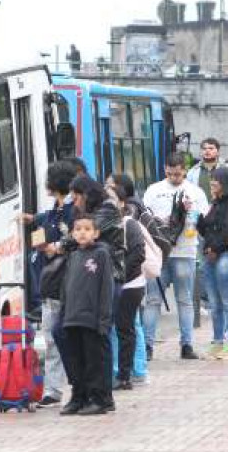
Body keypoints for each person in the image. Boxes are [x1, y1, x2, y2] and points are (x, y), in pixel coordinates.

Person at [20, 161, 77, 408]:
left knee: (63, 336)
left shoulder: (72, 213)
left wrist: (52, 248)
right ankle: (52, 390)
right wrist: (32, 221)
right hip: (49, 284)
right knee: (52, 337)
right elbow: (42, 227)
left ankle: (68, 386)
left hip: (65, 283)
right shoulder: (52, 212)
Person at [142, 153, 208, 360]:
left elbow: (203, 218)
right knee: (153, 300)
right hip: (158, 253)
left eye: (178, 174)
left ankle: (186, 344)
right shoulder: (153, 190)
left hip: (185, 251)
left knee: (185, 299)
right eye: (170, 174)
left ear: (185, 170)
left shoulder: (195, 192)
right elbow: (143, 217)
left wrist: (191, 213)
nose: (174, 177)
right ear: (164, 170)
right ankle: (147, 345)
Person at [58, 213, 114, 415]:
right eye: (78, 229)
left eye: (87, 229)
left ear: (96, 233)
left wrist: (104, 319)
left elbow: (106, 288)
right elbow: (66, 287)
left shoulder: (101, 254)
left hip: (92, 318)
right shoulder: (73, 256)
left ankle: (99, 398)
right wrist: (64, 313)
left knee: (94, 360)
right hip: (72, 317)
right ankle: (79, 396)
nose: (82, 233)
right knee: (75, 360)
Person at [198, 168, 228, 360]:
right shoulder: (215, 204)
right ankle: (218, 342)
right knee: (215, 304)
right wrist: (196, 219)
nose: (212, 185)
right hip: (211, 257)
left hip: (225, 257)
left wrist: (215, 249)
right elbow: (207, 230)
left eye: (215, 182)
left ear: (225, 184)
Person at [106, 174, 147, 390]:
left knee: (126, 329)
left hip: (130, 285)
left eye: (112, 198)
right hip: (112, 285)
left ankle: (126, 374)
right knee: (114, 329)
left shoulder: (129, 224)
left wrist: (119, 275)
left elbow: (138, 254)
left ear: (122, 202)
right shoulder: (102, 225)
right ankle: (117, 372)